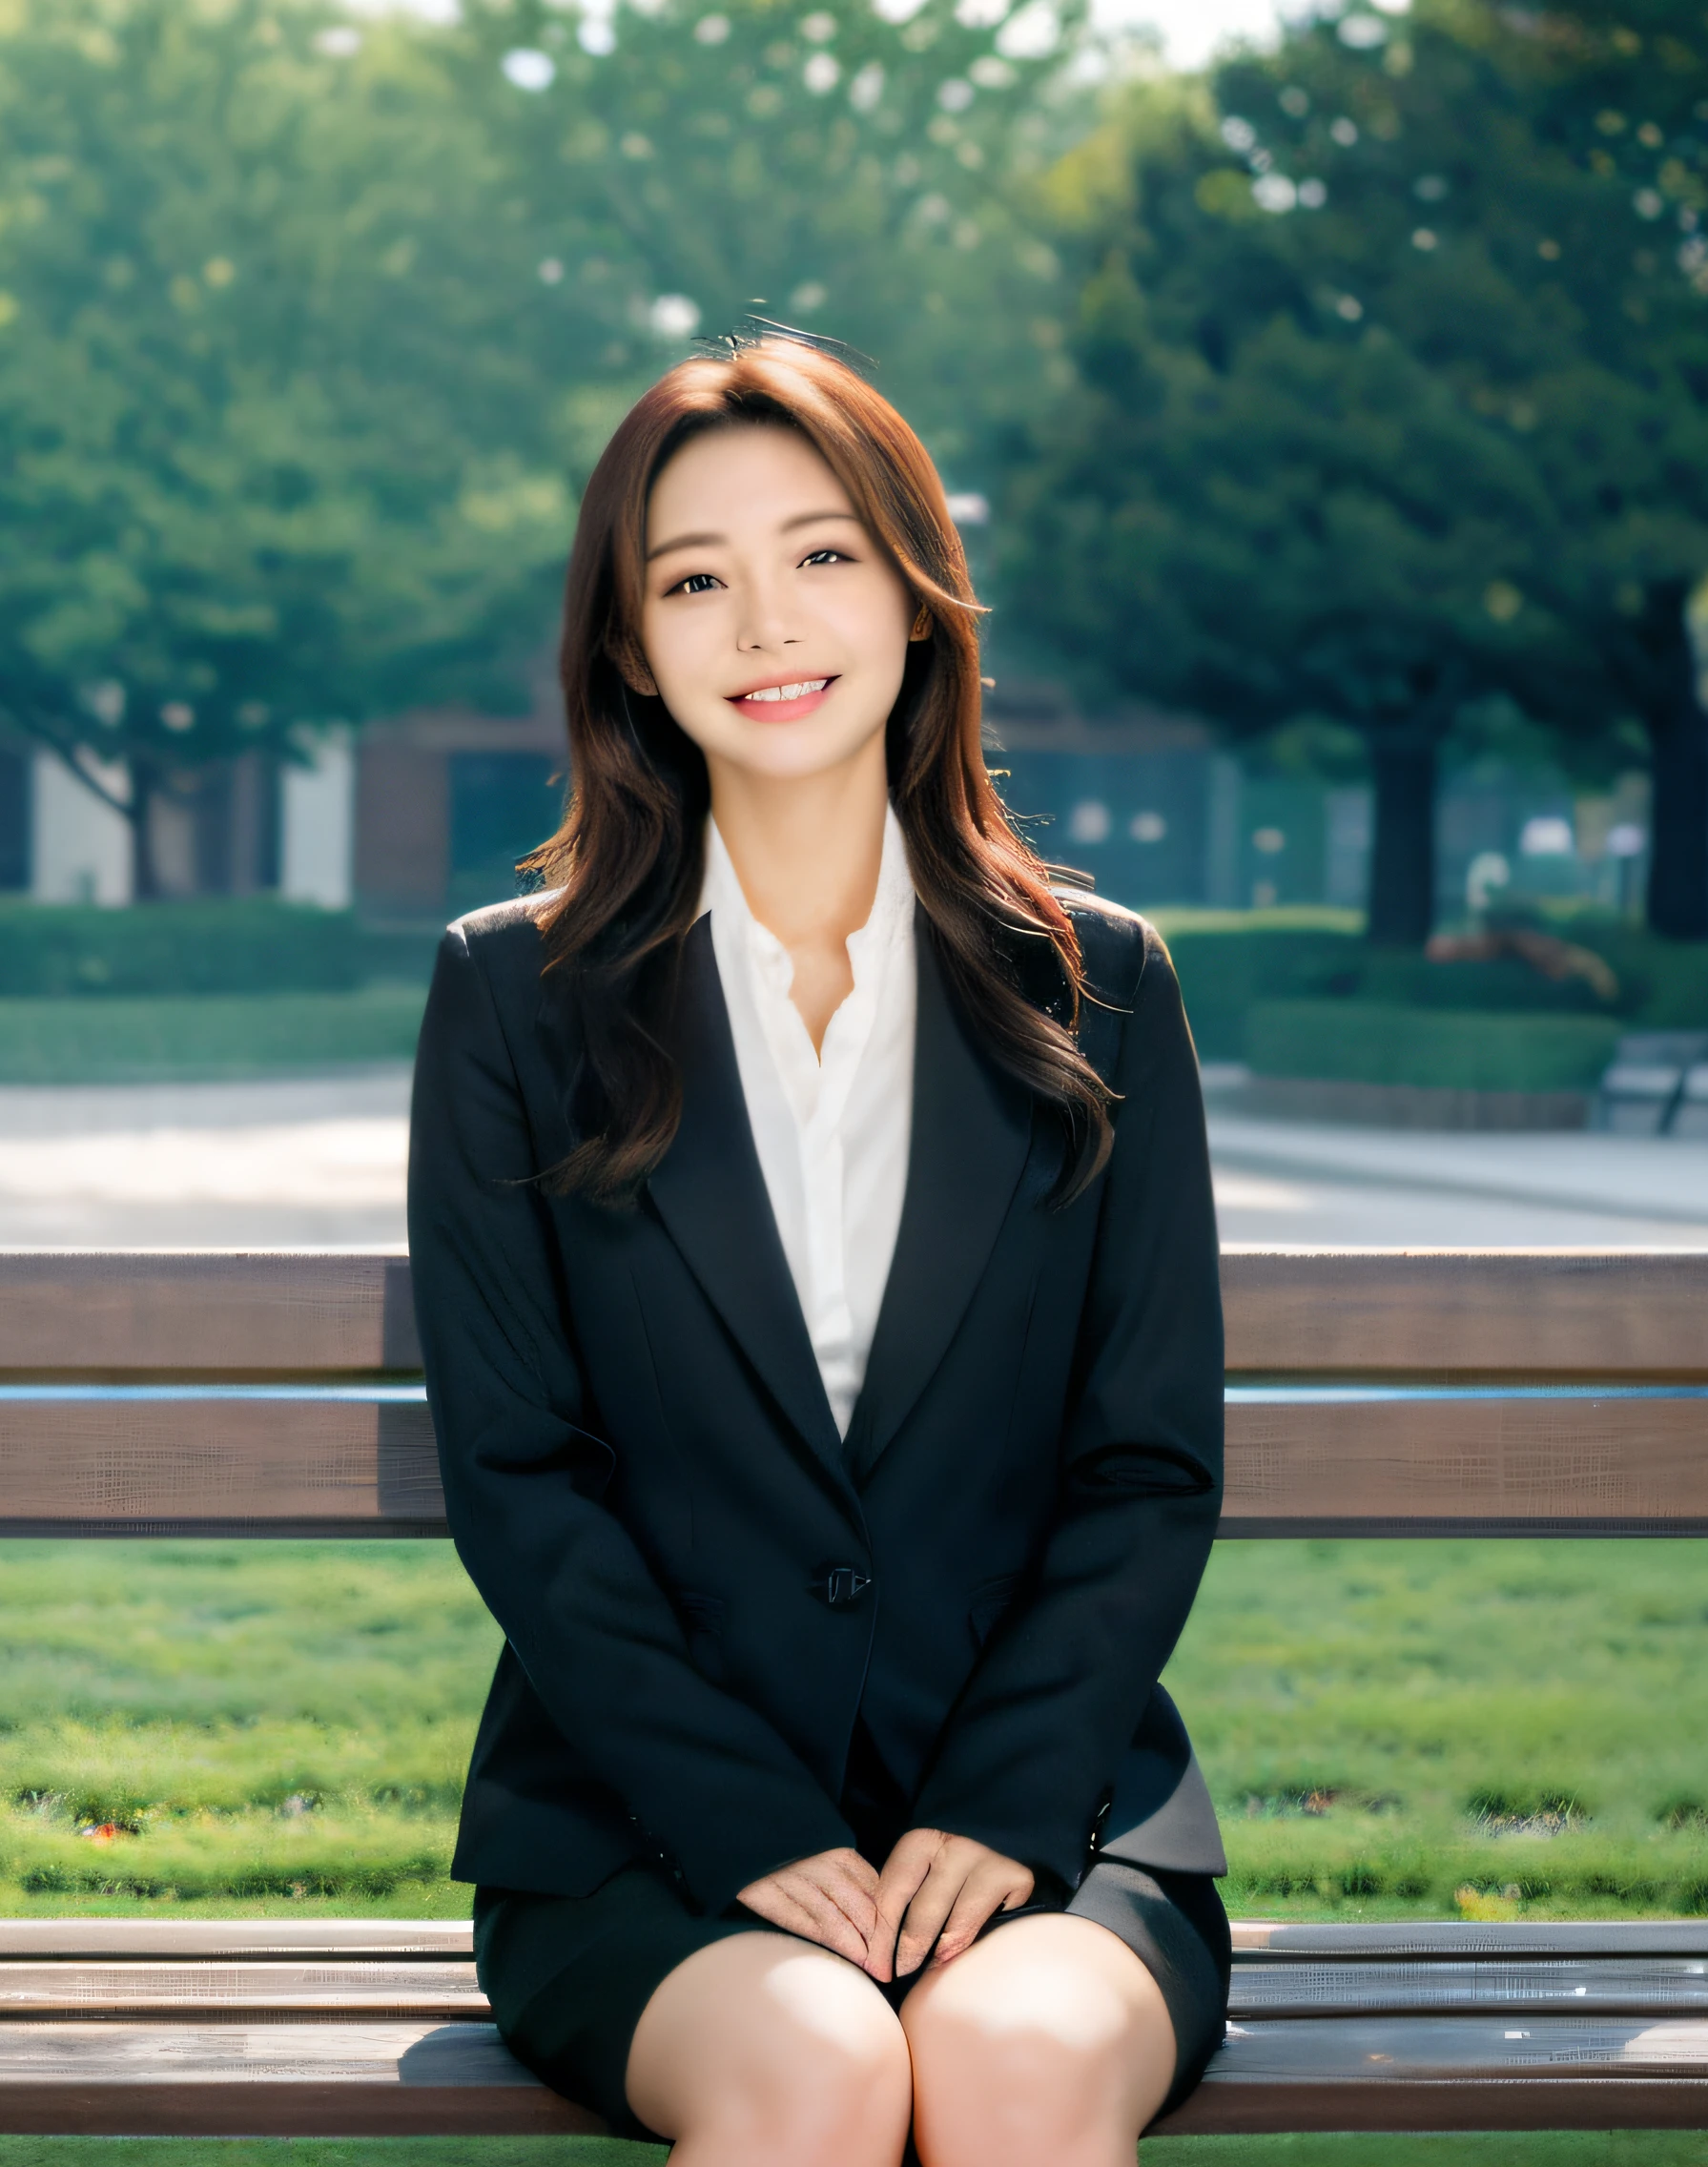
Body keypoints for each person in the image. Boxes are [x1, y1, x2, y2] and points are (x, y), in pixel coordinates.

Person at [407, 338, 1227, 2167]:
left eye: (824, 556)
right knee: (818, 2075)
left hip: (1045, 1804)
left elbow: (1148, 1462)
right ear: (629, 645)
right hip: (641, 1825)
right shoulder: (509, 1002)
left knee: (1008, 2070)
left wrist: (1011, 1801)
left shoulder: (1097, 988)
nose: (767, 622)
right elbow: (521, 1479)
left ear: (920, 599)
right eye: (695, 578)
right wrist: (742, 1818)